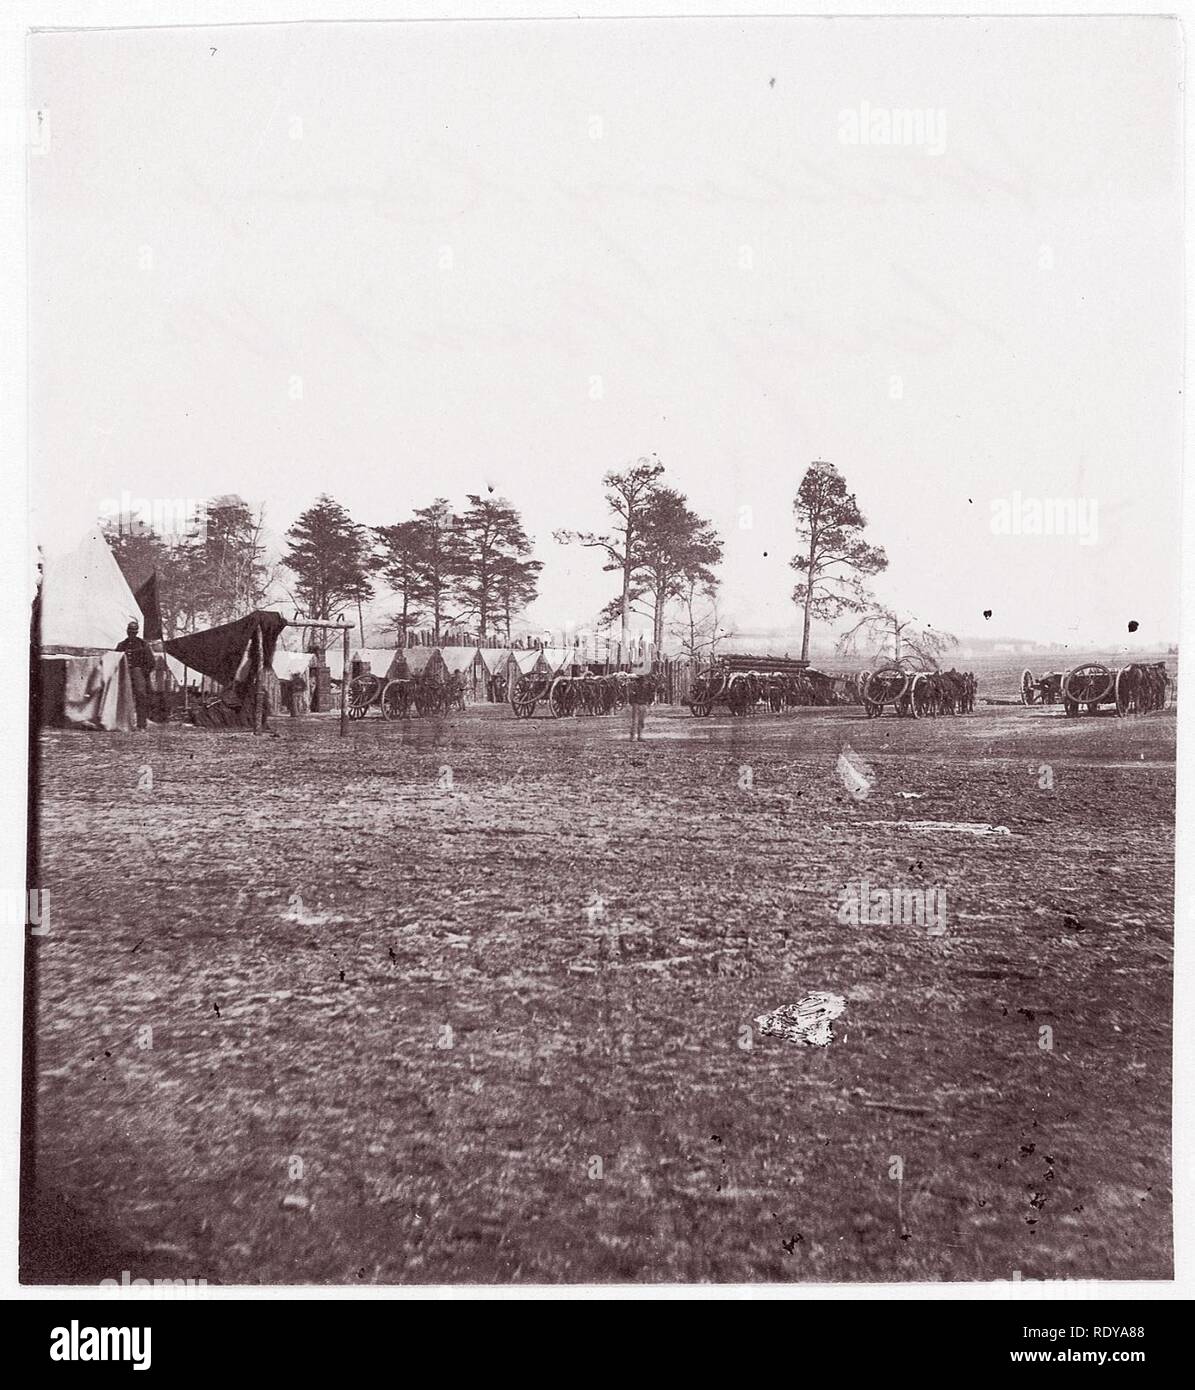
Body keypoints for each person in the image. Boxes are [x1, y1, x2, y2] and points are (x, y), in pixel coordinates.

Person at [115, 619, 155, 731]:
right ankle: (122, 723)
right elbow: (115, 659)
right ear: (127, 631)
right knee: (121, 696)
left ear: (137, 632)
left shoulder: (143, 644)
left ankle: (141, 725)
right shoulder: (122, 645)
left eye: (134, 632)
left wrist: (142, 673)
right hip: (124, 674)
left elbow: (151, 662)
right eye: (130, 631)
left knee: (141, 696)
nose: (131, 634)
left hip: (138, 673)